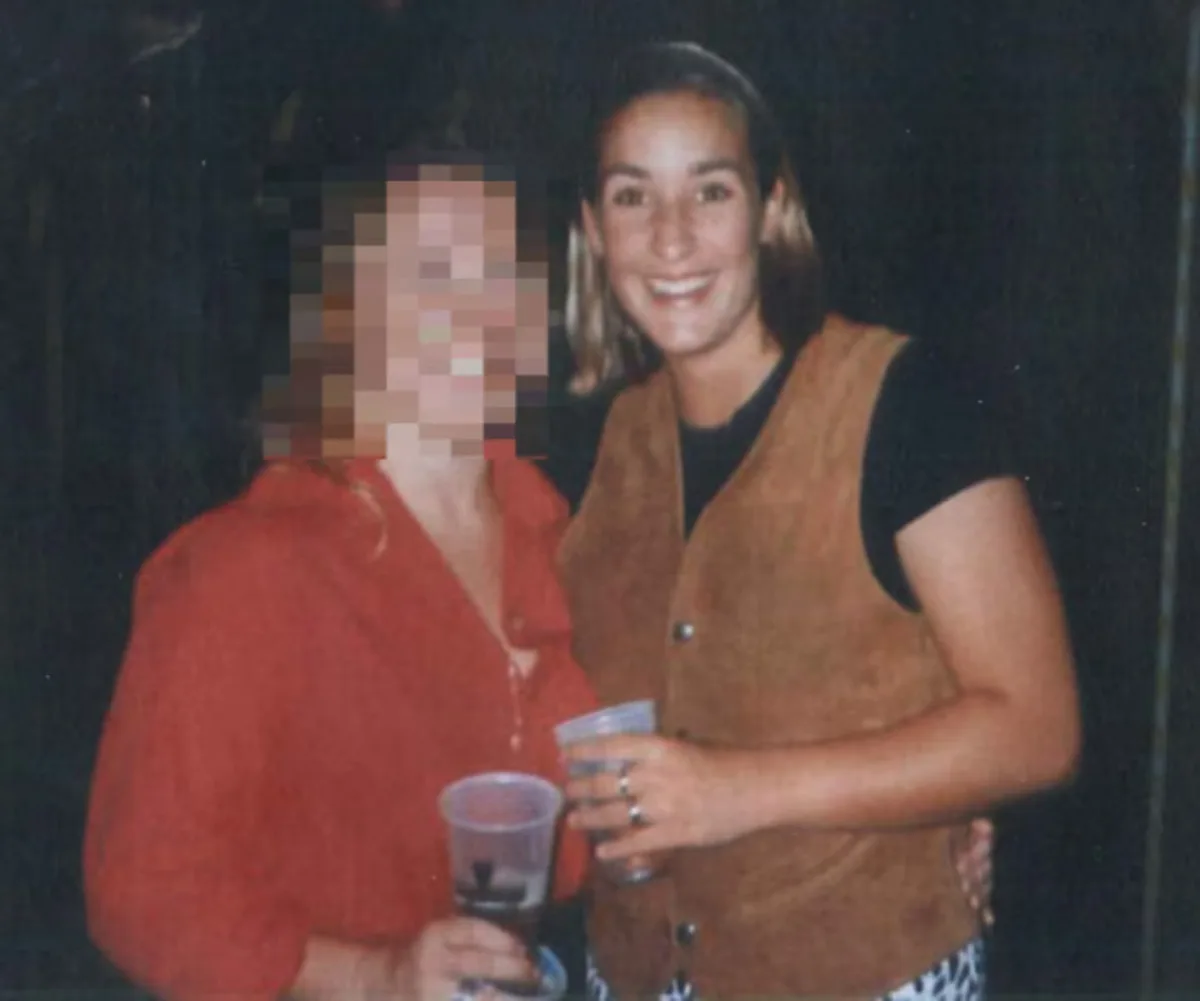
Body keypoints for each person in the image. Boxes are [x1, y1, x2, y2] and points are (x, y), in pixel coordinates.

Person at [555, 42, 1080, 1001]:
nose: (671, 238)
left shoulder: (904, 404)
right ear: (593, 227)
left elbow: (1038, 728)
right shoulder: (599, 437)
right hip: (629, 972)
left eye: (711, 190)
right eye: (633, 196)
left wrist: (732, 791)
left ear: (770, 206)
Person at [83, 146, 599, 1001]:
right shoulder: (244, 568)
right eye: (430, 276)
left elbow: (569, 842)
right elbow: (140, 889)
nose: (475, 313)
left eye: (502, 274)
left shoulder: (563, 538)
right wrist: (374, 975)